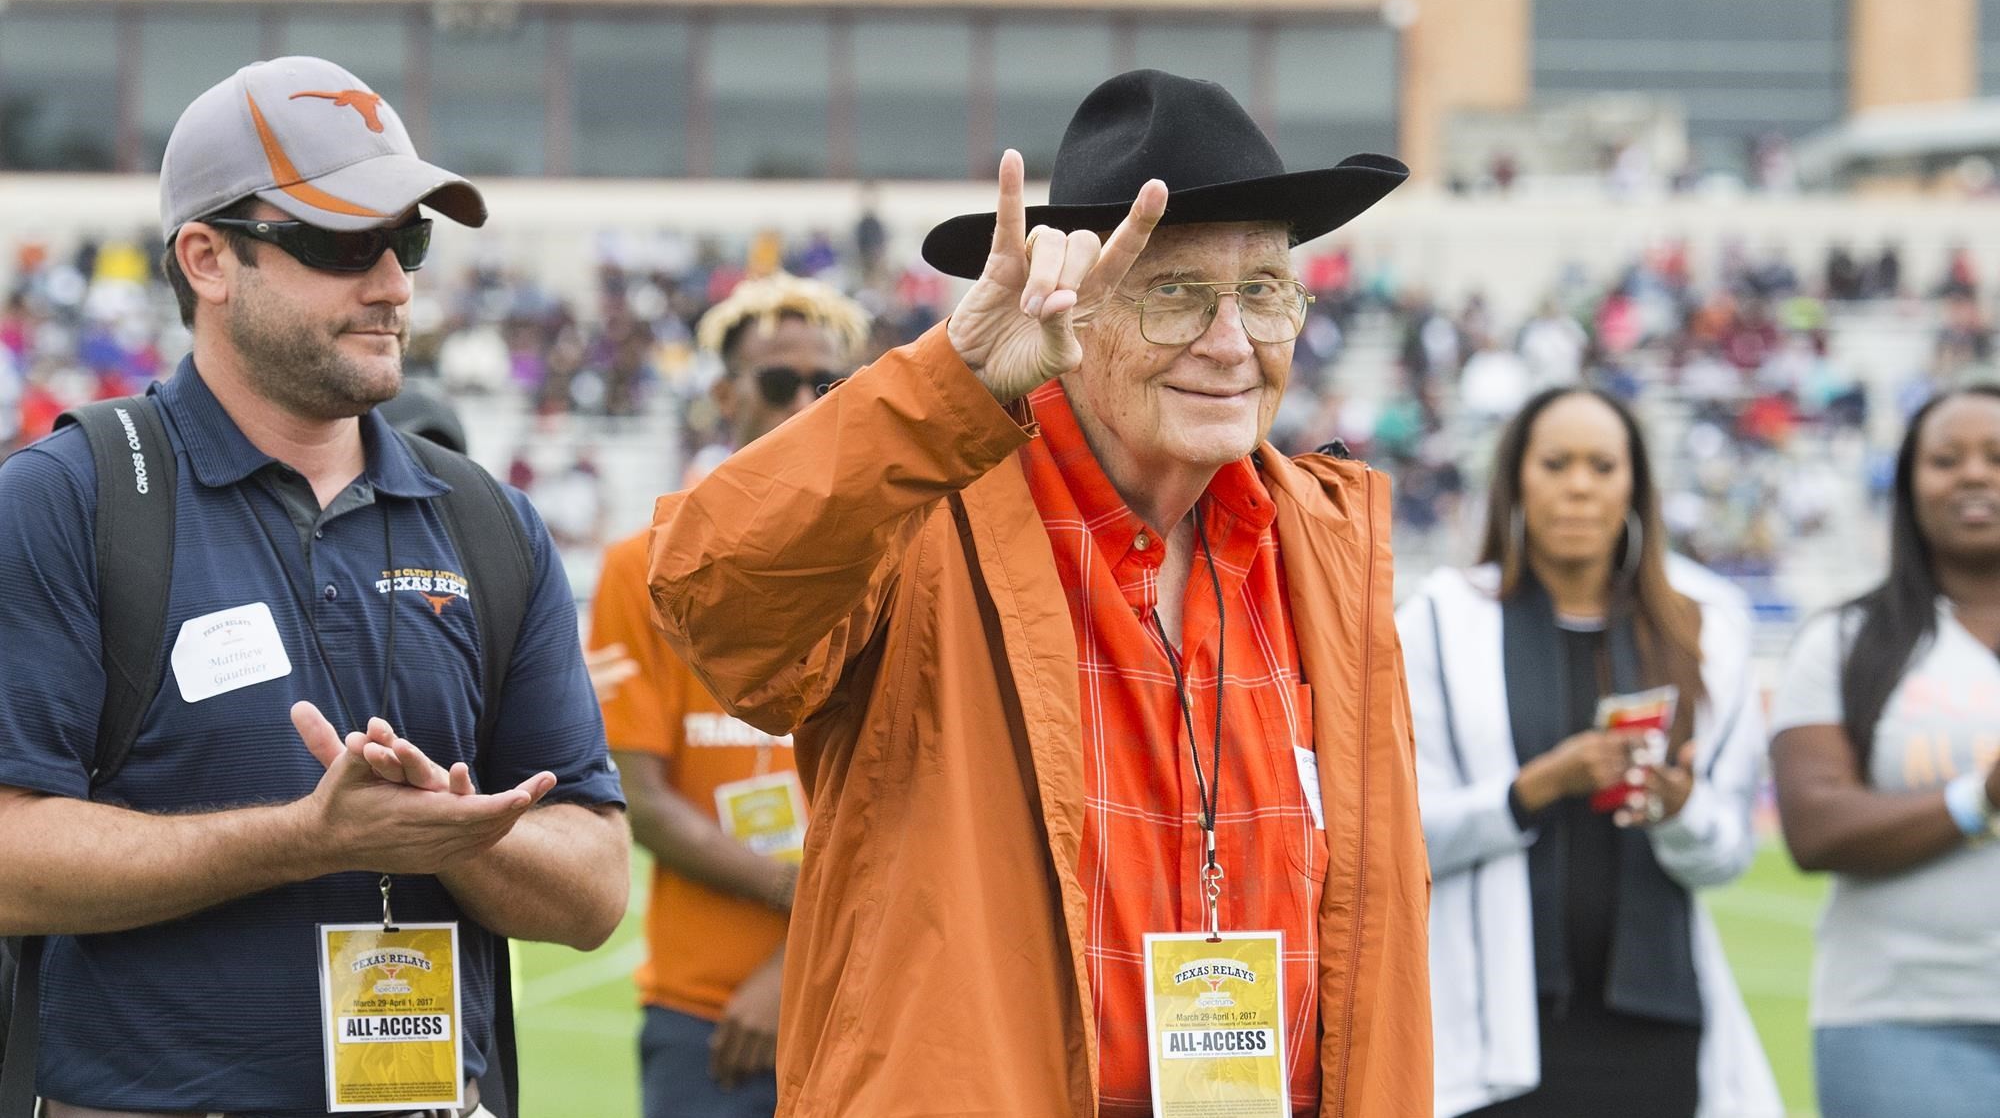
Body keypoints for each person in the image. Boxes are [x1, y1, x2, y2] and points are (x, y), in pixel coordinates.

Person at [649, 69, 1431, 1116]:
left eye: (1261, 291)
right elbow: (713, 598)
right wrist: (952, 380)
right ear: (1075, 314)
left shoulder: (1325, 552)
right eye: (1175, 294)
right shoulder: (923, 514)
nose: (1230, 341)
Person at [0, 55, 627, 1116]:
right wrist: (306, 839)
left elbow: (596, 883)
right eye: (343, 242)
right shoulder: (71, 500)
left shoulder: (486, 519)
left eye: (409, 239)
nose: (392, 284)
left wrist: (458, 833)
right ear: (207, 258)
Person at [1398, 387, 1781, 1118]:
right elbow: (1397, 838)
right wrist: (1531, 790)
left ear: (1635, 483)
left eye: (1602, 465)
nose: (1579, 484)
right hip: (1487, 1040)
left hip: (1659, 1031)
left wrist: (1678, 809)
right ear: (1516, 478)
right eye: (1556, 462)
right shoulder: (1442, 621)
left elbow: (1728, 854)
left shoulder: (1708, 624)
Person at [587, 274, 869, 1118]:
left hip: (853, 996)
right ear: (723, 393)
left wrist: (795, 966)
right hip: (701, 1012)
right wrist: (795, 896)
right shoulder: (638, 568)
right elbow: (640, 799)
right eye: (780, 382)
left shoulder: (896, 559)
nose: (806, 403)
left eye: (830, 385)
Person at [1769, 385, 2000, 1118]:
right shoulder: (1842, 642)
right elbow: (1814, 827)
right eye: (1945, 458)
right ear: (1906, 486)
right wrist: (1981, 798)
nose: (1973, 474)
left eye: (1997, 457)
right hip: (1898, 1020)